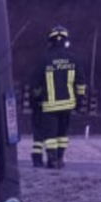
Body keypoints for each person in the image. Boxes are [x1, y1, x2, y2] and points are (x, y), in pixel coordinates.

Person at [29, 25, 88, 168]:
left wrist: (35, 99)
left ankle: (52, 160)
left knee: (50, 134)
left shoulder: (44, 59)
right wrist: (80, 99)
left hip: (49, 105)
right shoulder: (73, 59)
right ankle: (60, 158)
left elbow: (35, 83)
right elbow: (81, 81)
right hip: (68, 105)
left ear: (50, 41)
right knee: (62, 134)